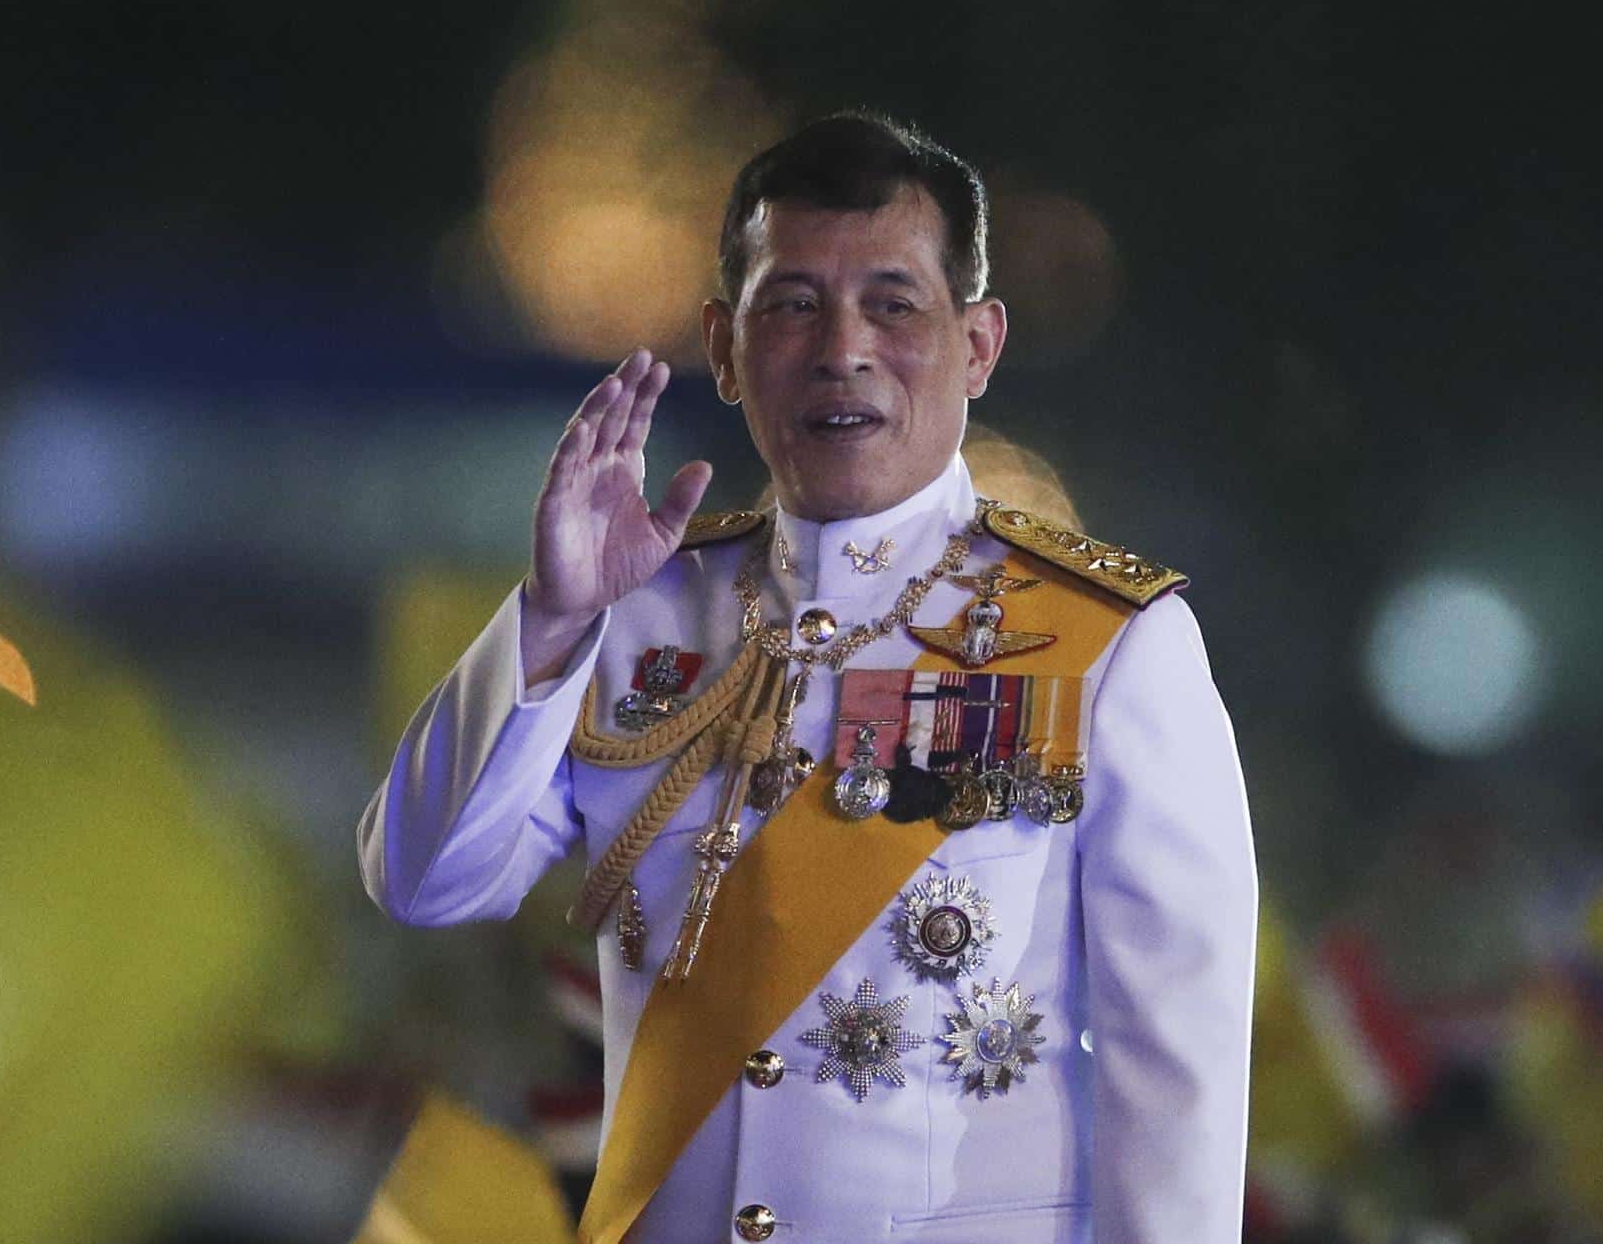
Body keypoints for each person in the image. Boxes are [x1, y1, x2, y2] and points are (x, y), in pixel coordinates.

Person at [360, 112, 1256, 1243]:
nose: (844, 349)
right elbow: (426, 879)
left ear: (978, 345)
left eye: (894, 303)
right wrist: (552, 615)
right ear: (725, 348)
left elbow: (1174, 1068)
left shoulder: (1108, 643)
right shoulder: (636, 614)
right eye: (792, 304)